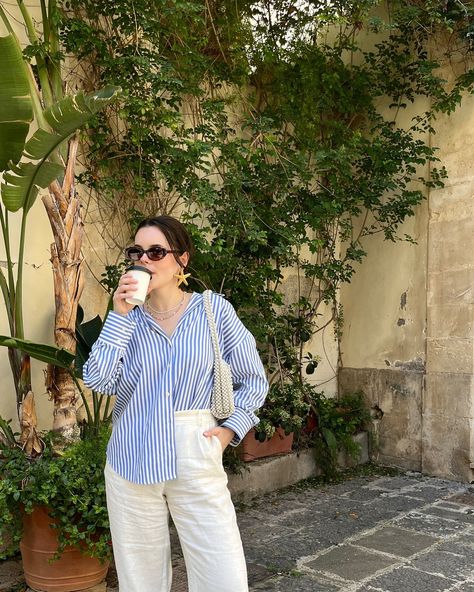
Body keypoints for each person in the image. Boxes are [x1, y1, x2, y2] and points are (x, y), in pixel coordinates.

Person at [83, 215, 269, 592]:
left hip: (196, 447)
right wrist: (119, 316)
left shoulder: (213, 312)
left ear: (181, 259)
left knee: (223, 575)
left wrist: (227, 431)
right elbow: (98, 380)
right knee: (141, 580)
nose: (144, 260)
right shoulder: (127, 321)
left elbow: (253, 379)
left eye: (156, 251)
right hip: (131, 455)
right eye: (136, 252)